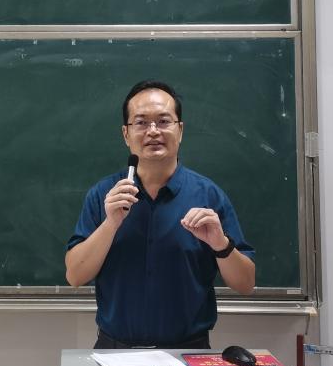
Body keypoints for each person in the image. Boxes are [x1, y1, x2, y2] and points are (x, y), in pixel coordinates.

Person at [65, 80, 255, 349]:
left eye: (163, 121)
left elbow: (246, 284)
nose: (153, 131)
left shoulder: (208, 196)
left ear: (180, 130)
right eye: (141, 123)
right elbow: (75, 276)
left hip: (189, 352)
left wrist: (220, 244)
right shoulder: (104, 195)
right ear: (126, 134)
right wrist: (111, 224)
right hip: (115, 352)